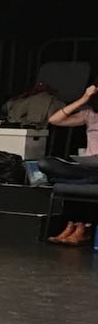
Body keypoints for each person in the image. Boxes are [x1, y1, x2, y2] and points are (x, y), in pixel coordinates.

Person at [42, 83, 98, 244]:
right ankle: (75, 226)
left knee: (75, 181)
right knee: (45, 163)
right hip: (87, 167)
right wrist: (83, 99)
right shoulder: (90, 114)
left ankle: (81, 227)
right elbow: (54, 120)